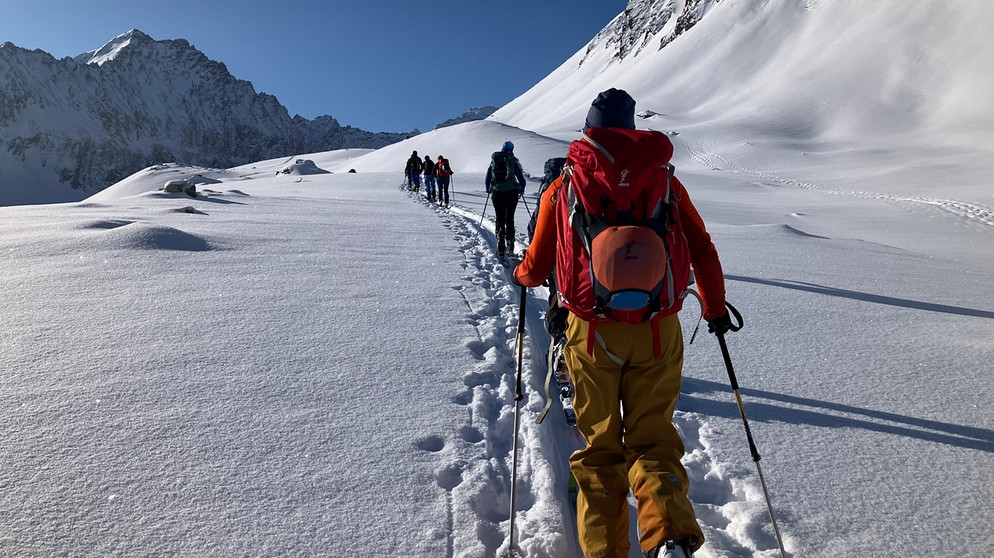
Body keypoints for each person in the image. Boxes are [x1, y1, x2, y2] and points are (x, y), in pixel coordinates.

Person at [513, 88, 733, 558]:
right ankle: (669, 535)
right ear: (633, 129)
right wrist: (714, 310)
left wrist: (521, 274)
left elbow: (536, 265)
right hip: (658, 330)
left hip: (591, 331)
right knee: (653, 440)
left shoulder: (565, 183)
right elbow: (703, 249)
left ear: (589, 129)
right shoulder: (666, 181)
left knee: (601, 452)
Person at [484, 141, 526, 259]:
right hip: (511, 193)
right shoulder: (512, 161)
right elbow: (522, 179)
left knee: (500, 218)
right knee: (510, 219)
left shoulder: (494, 160)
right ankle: (510, 247)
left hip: (497, 193)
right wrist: (521, 189)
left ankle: (501, 248)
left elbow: (488, 177)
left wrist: (488, 189)